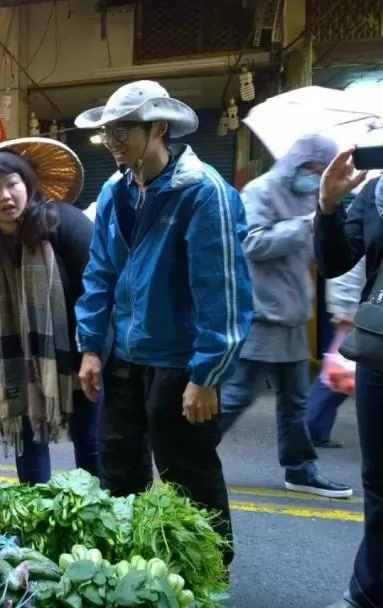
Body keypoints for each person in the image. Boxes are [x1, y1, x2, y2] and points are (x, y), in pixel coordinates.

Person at [72, 80, 252, 561]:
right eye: (108, 131)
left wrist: (207, 375)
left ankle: (208, 572)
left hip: (180, 361)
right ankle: (132, 566)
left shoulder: (203, 193)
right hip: (126, 355)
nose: (112, 140)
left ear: (158, 128)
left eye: (123, 129)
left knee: (187, 472)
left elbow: (222, 292)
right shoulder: (116, 189)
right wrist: (91, 346)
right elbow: (100, 271)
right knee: (119, 467)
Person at [0, 137, 101, 484]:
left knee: (89, 441)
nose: (5, 196)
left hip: (73, 356)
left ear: (27, 182)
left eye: (12, 183)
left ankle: (99, 516)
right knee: (28, 444)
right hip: (13, 363)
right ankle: (40, 516)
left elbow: (99, 290)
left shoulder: (65, 224)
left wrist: (93, 350)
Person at [217, 134, 352, 498]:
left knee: (296, 402)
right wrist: (305, 225)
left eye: (321, 172)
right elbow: (250, 243)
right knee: (237, 396)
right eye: (312, 169)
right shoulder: (261, 190)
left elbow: (311, 252)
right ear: (297, 162)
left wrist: (322, 221)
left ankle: (300, 469)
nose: (315, 176)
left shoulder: (310, 196)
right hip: (262, 313)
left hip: (292, 313)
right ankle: (188, 452)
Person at [314, 149, 383, 608]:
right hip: (379, 350)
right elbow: (335, 262)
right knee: (378, 480)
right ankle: (368, 590)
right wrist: (328, 206)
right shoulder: (376, 192)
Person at [306, 256, 365, 448]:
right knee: (338, 375)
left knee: (339, 375)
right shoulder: (361, 227)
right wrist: (345, 308)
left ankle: (313, 428)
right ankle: (311, 427)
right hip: (353, 310)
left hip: (355, 307)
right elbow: (350, 266)